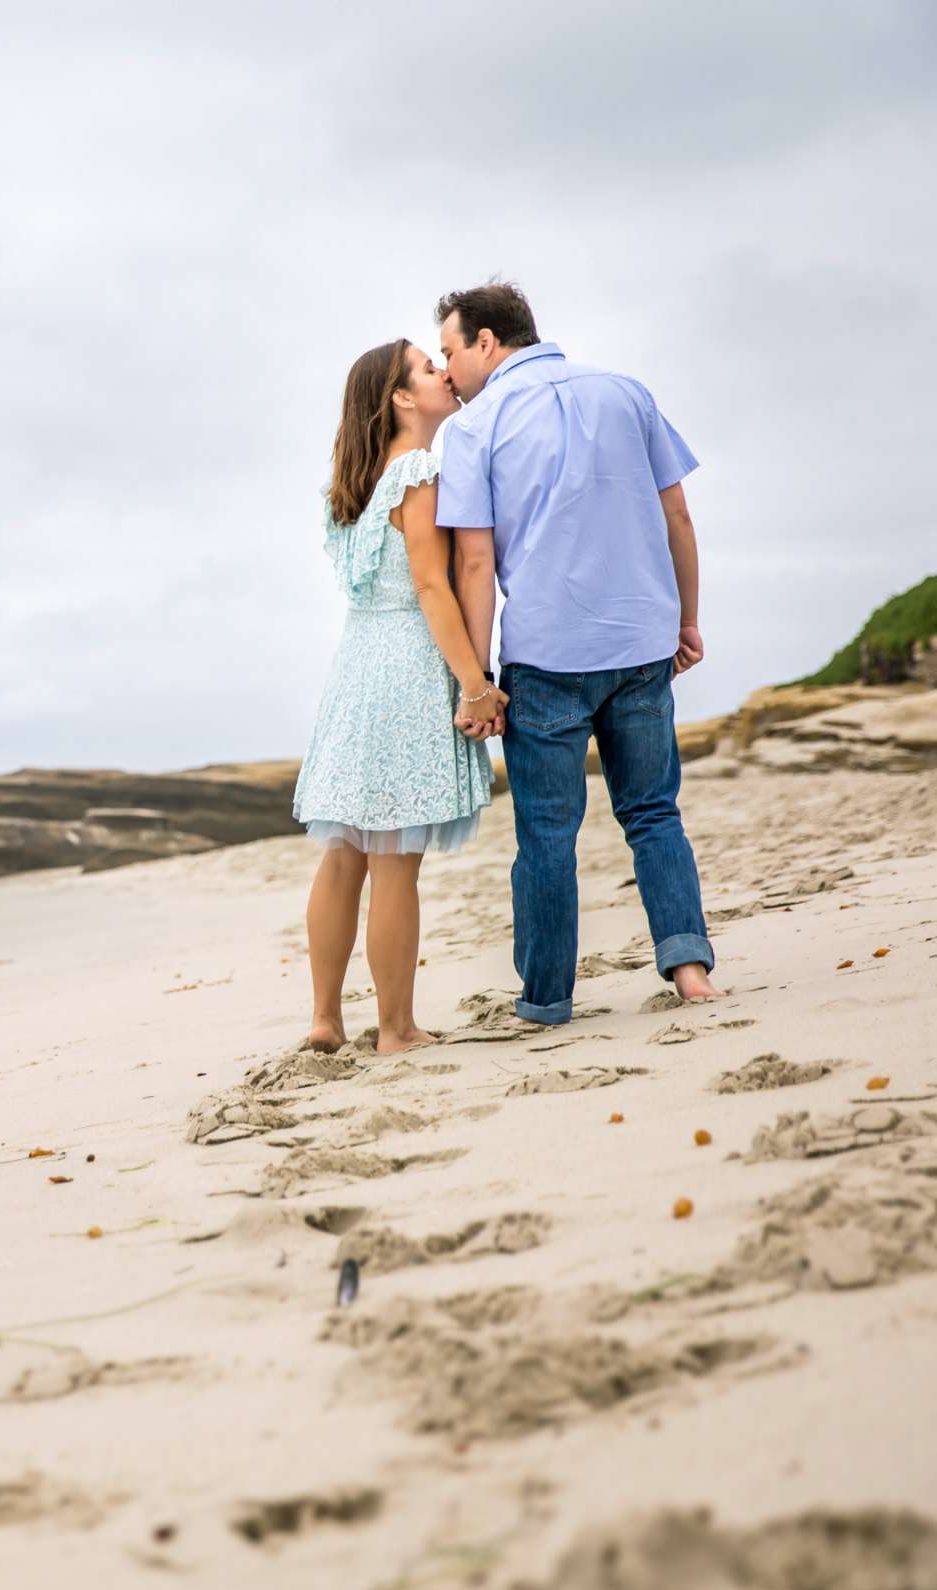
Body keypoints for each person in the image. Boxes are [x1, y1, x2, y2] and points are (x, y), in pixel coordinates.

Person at [434, 279, 722, 1025]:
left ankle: (547, 998)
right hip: (640, 641)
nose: (448, 373)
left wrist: (480, 678)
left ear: (487, 342)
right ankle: (690, 969)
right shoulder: (626, 393)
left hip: (546, 654)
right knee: (654, 811)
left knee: (547, 836)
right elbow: (678, 516)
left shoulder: (474, 428)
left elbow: (473, 564)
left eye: (450, 352)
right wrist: (685, 620)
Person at [291, 338, 501, 1053]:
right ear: (401, 399)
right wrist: (474, 684)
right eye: (426, 367)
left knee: (345, 852)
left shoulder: (351, 487)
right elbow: (431, 584)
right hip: (407, 664)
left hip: (355, 668)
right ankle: (396, 1028)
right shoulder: (417, 471)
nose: (444, 373)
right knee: (392, 859)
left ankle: (325, 1018)